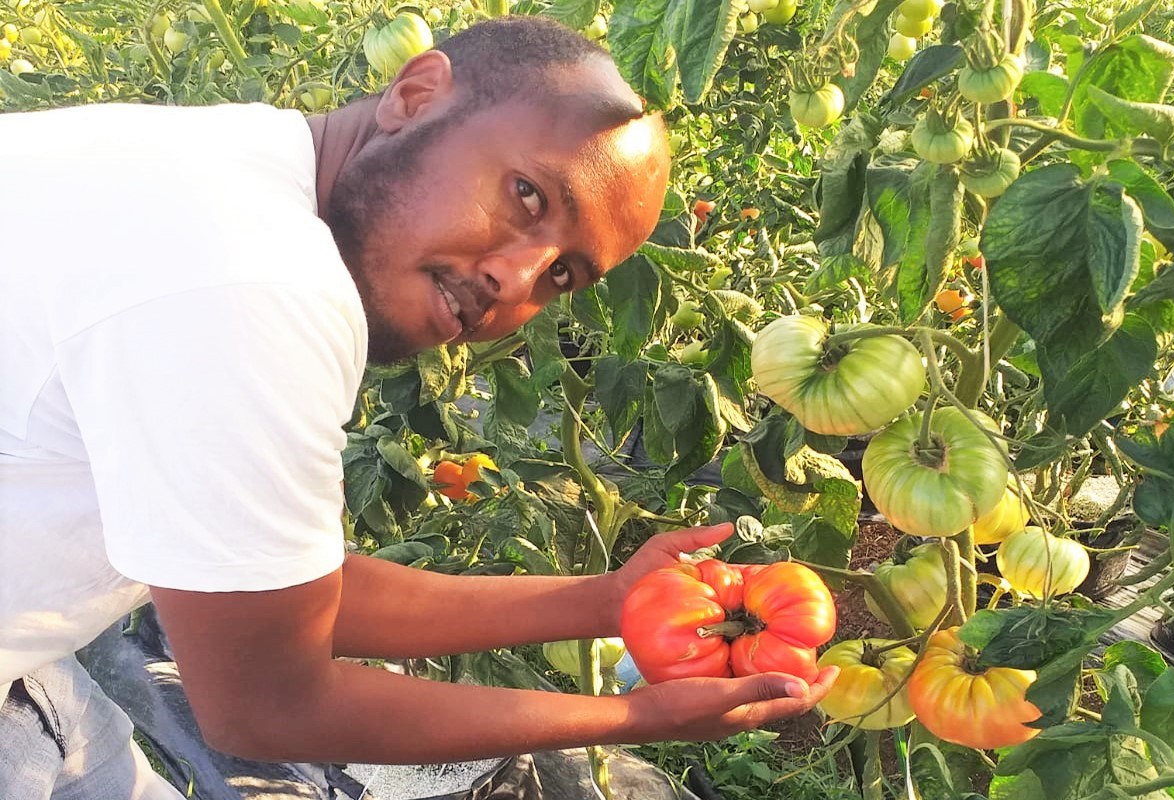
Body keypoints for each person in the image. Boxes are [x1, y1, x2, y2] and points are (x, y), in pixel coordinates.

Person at [0, 15, 837, 799]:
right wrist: (634, 717)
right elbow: (265, 705)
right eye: (528, 196)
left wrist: (607, 601)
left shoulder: (236, 166)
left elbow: (284, 595)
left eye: (561, 277)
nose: (516, 279)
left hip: (28, 662)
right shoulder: (254, 286)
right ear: (414, 94)